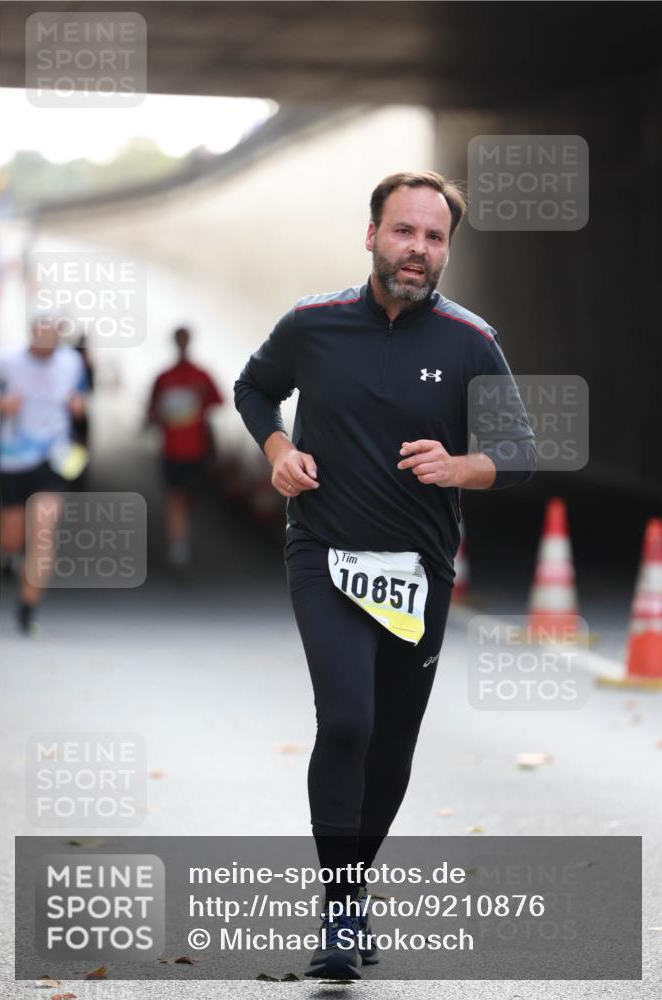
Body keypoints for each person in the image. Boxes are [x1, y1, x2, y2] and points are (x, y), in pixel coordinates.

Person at [234, 170, 536, 979]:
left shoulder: (470, 341)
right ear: (371, 235)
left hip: (419, 569)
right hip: (324, 554)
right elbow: (254, 389)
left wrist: (459, 465)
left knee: (392, 741)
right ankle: (338, 909)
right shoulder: (313, 324)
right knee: (347, 722)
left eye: (433, 238)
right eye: (403, 231)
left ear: (445, 251)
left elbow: (518, 453)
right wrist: (278, 451)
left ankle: (353, 884)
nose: (417, 249)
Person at [0, 316, 87, 634]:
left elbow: (79, 394)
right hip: (13, 456)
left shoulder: (71, 362)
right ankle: (9, 555)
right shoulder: (7, 359)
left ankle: (27, 608)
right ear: (33, 332)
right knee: (11, 534)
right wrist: (2, 404)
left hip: (53, 456)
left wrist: (77, 404)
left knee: (44, 535)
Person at [146, 327, 224, 571]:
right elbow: (151, 414)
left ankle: (181, 535)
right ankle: (178, 546)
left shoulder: (201, 376)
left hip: (196, 449)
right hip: (171, 450)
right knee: (175, 498)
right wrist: (162, 416)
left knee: (190, 497)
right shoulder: (164, 378)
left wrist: (198, 406)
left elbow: (219, 402)